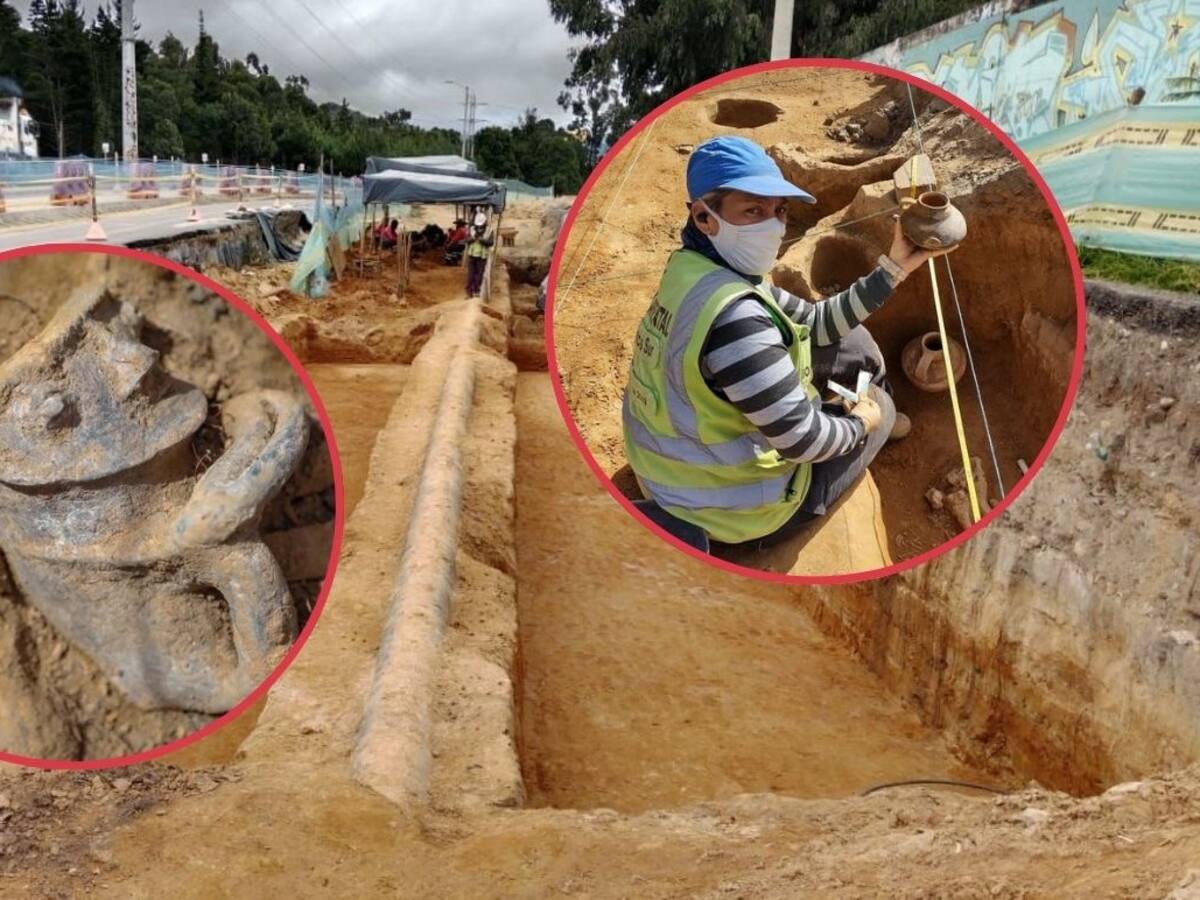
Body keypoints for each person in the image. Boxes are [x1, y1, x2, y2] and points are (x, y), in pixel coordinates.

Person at [623, 135, 954, 550]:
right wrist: (861, 422)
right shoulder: (737, 319)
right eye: (752, 210)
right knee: (882, 407)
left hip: (670, 468)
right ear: (704, 217)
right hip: (726, 513)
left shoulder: (696, 269)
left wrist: (893, 269)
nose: (773, 225)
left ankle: (848, 403)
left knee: (855, 344)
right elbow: (805, 440)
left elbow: (816, 321)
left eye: (778, 210)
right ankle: (878, 418)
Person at [465, 224, 492, 297]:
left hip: (482, 256)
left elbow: (491, 242)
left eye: (481, 227)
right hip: (472, 255)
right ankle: (469, 291)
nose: (479, 228)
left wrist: (482, 241)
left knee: (479, 274)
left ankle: (476, 290)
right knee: (471, 274)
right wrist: (473, 238)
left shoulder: (489, 231)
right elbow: (466, 240)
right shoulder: (471, 229)